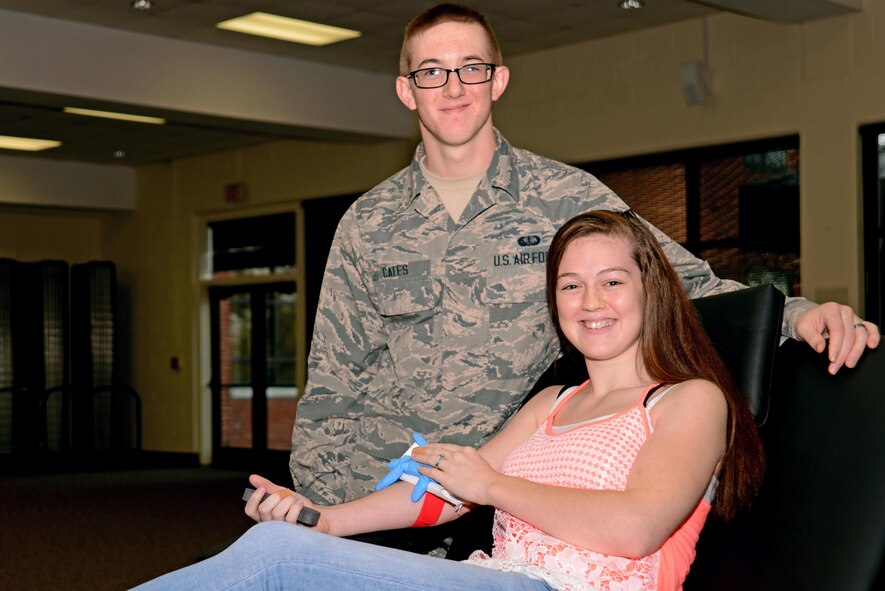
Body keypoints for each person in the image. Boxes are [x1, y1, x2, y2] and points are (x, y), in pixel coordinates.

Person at [291, 2, 879, 507]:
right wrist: (322, 508)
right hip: (378, 488)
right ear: (405, 90)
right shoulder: (367, 222)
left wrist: (797, 315)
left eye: (471, 68)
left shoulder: (565, 198)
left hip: (502, 489)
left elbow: (681, 286)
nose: (452, 88)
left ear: (498, 81)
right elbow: (333, 380)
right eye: (431, 71)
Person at [132, 210, 766, 590]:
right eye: (571, 285)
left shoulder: (690, 400)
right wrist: (323, 519)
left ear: (651, 291)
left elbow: (634, 528)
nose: (590, 302)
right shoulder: (552, 402)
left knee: (275, 562)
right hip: (499, 578)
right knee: (285, 552)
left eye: (611, 281)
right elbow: (446, 493)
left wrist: (493, 486)